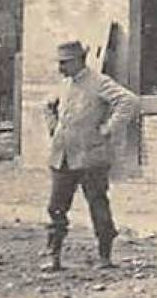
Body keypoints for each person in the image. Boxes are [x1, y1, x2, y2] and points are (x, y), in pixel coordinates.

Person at [42, 40, 140, 272]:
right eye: (59, 63)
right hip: (62, 157)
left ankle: (104, 256)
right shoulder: (64, 84)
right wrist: (53, 128)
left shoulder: (99, 82)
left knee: (98, 205)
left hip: (91, 158)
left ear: (79, 60)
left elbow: (129, 101)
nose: (61, 68)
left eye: (65, 63)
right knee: (56, 207)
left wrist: (108, 128)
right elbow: (47, 105)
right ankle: (53, 256)